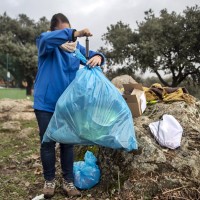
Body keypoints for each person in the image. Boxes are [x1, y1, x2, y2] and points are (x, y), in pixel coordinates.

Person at [33, 13, 105, 199]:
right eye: (61, 31)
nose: (67, 36)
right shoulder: (46, 43)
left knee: (67, 143)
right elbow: (47, 38)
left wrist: (99, 57)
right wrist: (74, 32)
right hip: (46, 104)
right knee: (47, 142)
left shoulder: (75, 48)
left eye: (68, 30)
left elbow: (94, 54)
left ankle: (68, 182)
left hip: (68, 104)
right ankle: (49, 180)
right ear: (53, 32)